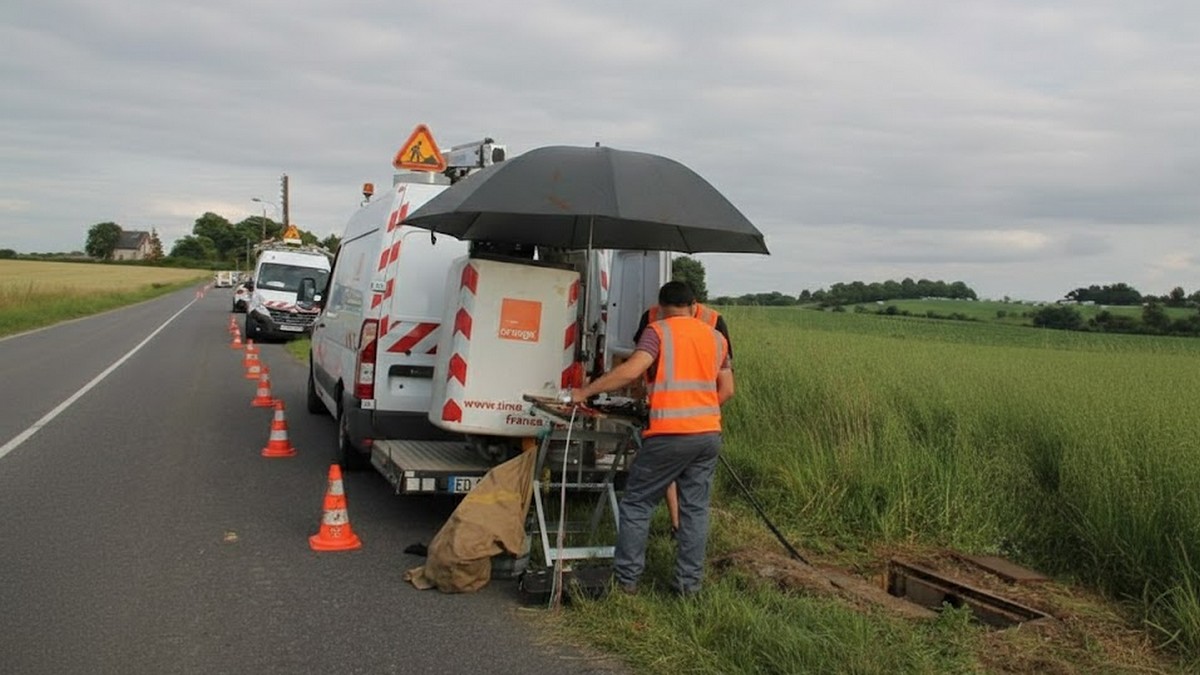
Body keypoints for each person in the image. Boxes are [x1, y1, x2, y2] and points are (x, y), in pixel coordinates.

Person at [571, 281, 734, 596]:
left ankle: (627, 581)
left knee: (637, 503)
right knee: (695, 510)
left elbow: (631, 371)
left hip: (669, 436)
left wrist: (586, 391)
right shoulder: (716, 338)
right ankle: (688, 587)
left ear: (659, 308)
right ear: (693, 305)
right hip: (708, 435)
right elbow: (727, 389)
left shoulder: (658, 332)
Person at [633, 294, 733, 536]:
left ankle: (628, 573)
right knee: (695, 504)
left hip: (669, 422)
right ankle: (678, 526)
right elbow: (727, 387)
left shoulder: (713, 321)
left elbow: (636, 364)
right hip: (703, 427)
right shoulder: (653, 316)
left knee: (638, 501)